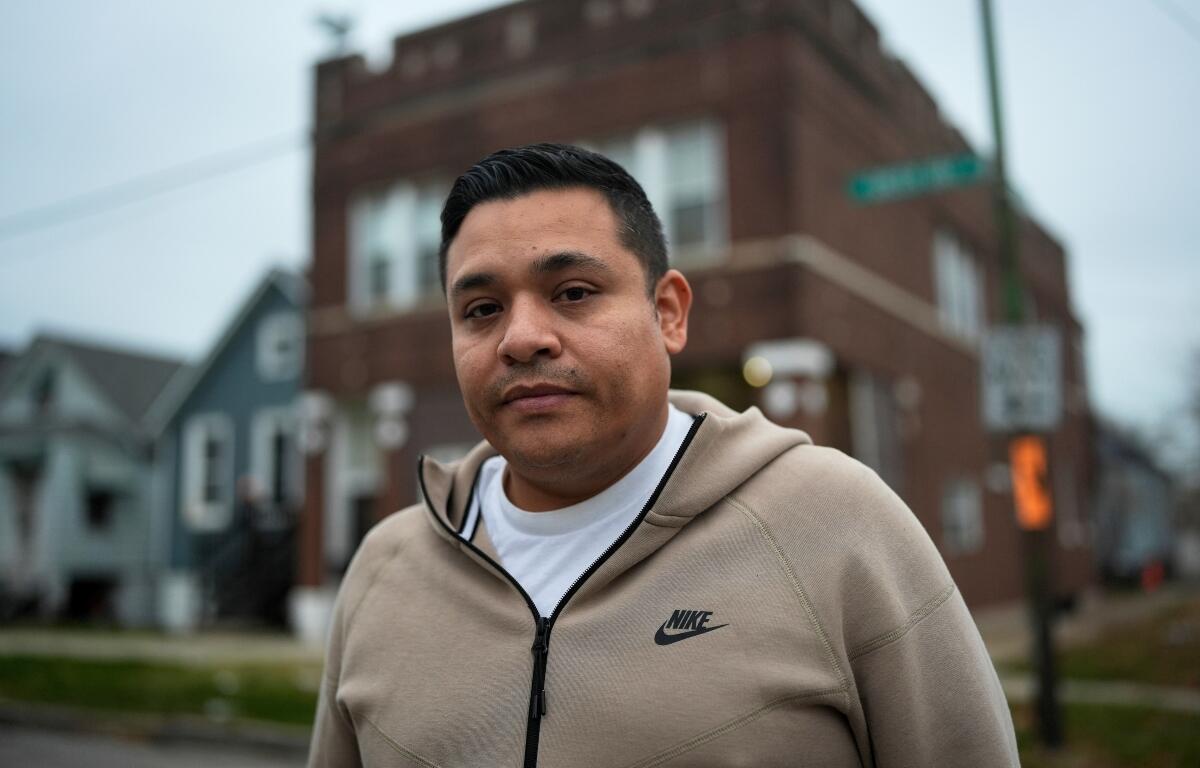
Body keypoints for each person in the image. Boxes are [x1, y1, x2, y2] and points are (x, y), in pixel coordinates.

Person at [308, 144, 1019, 768]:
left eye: (574, 292)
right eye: (481, 309)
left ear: (669, 312)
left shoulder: (835, 525)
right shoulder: (384, 570)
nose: (521, 338)